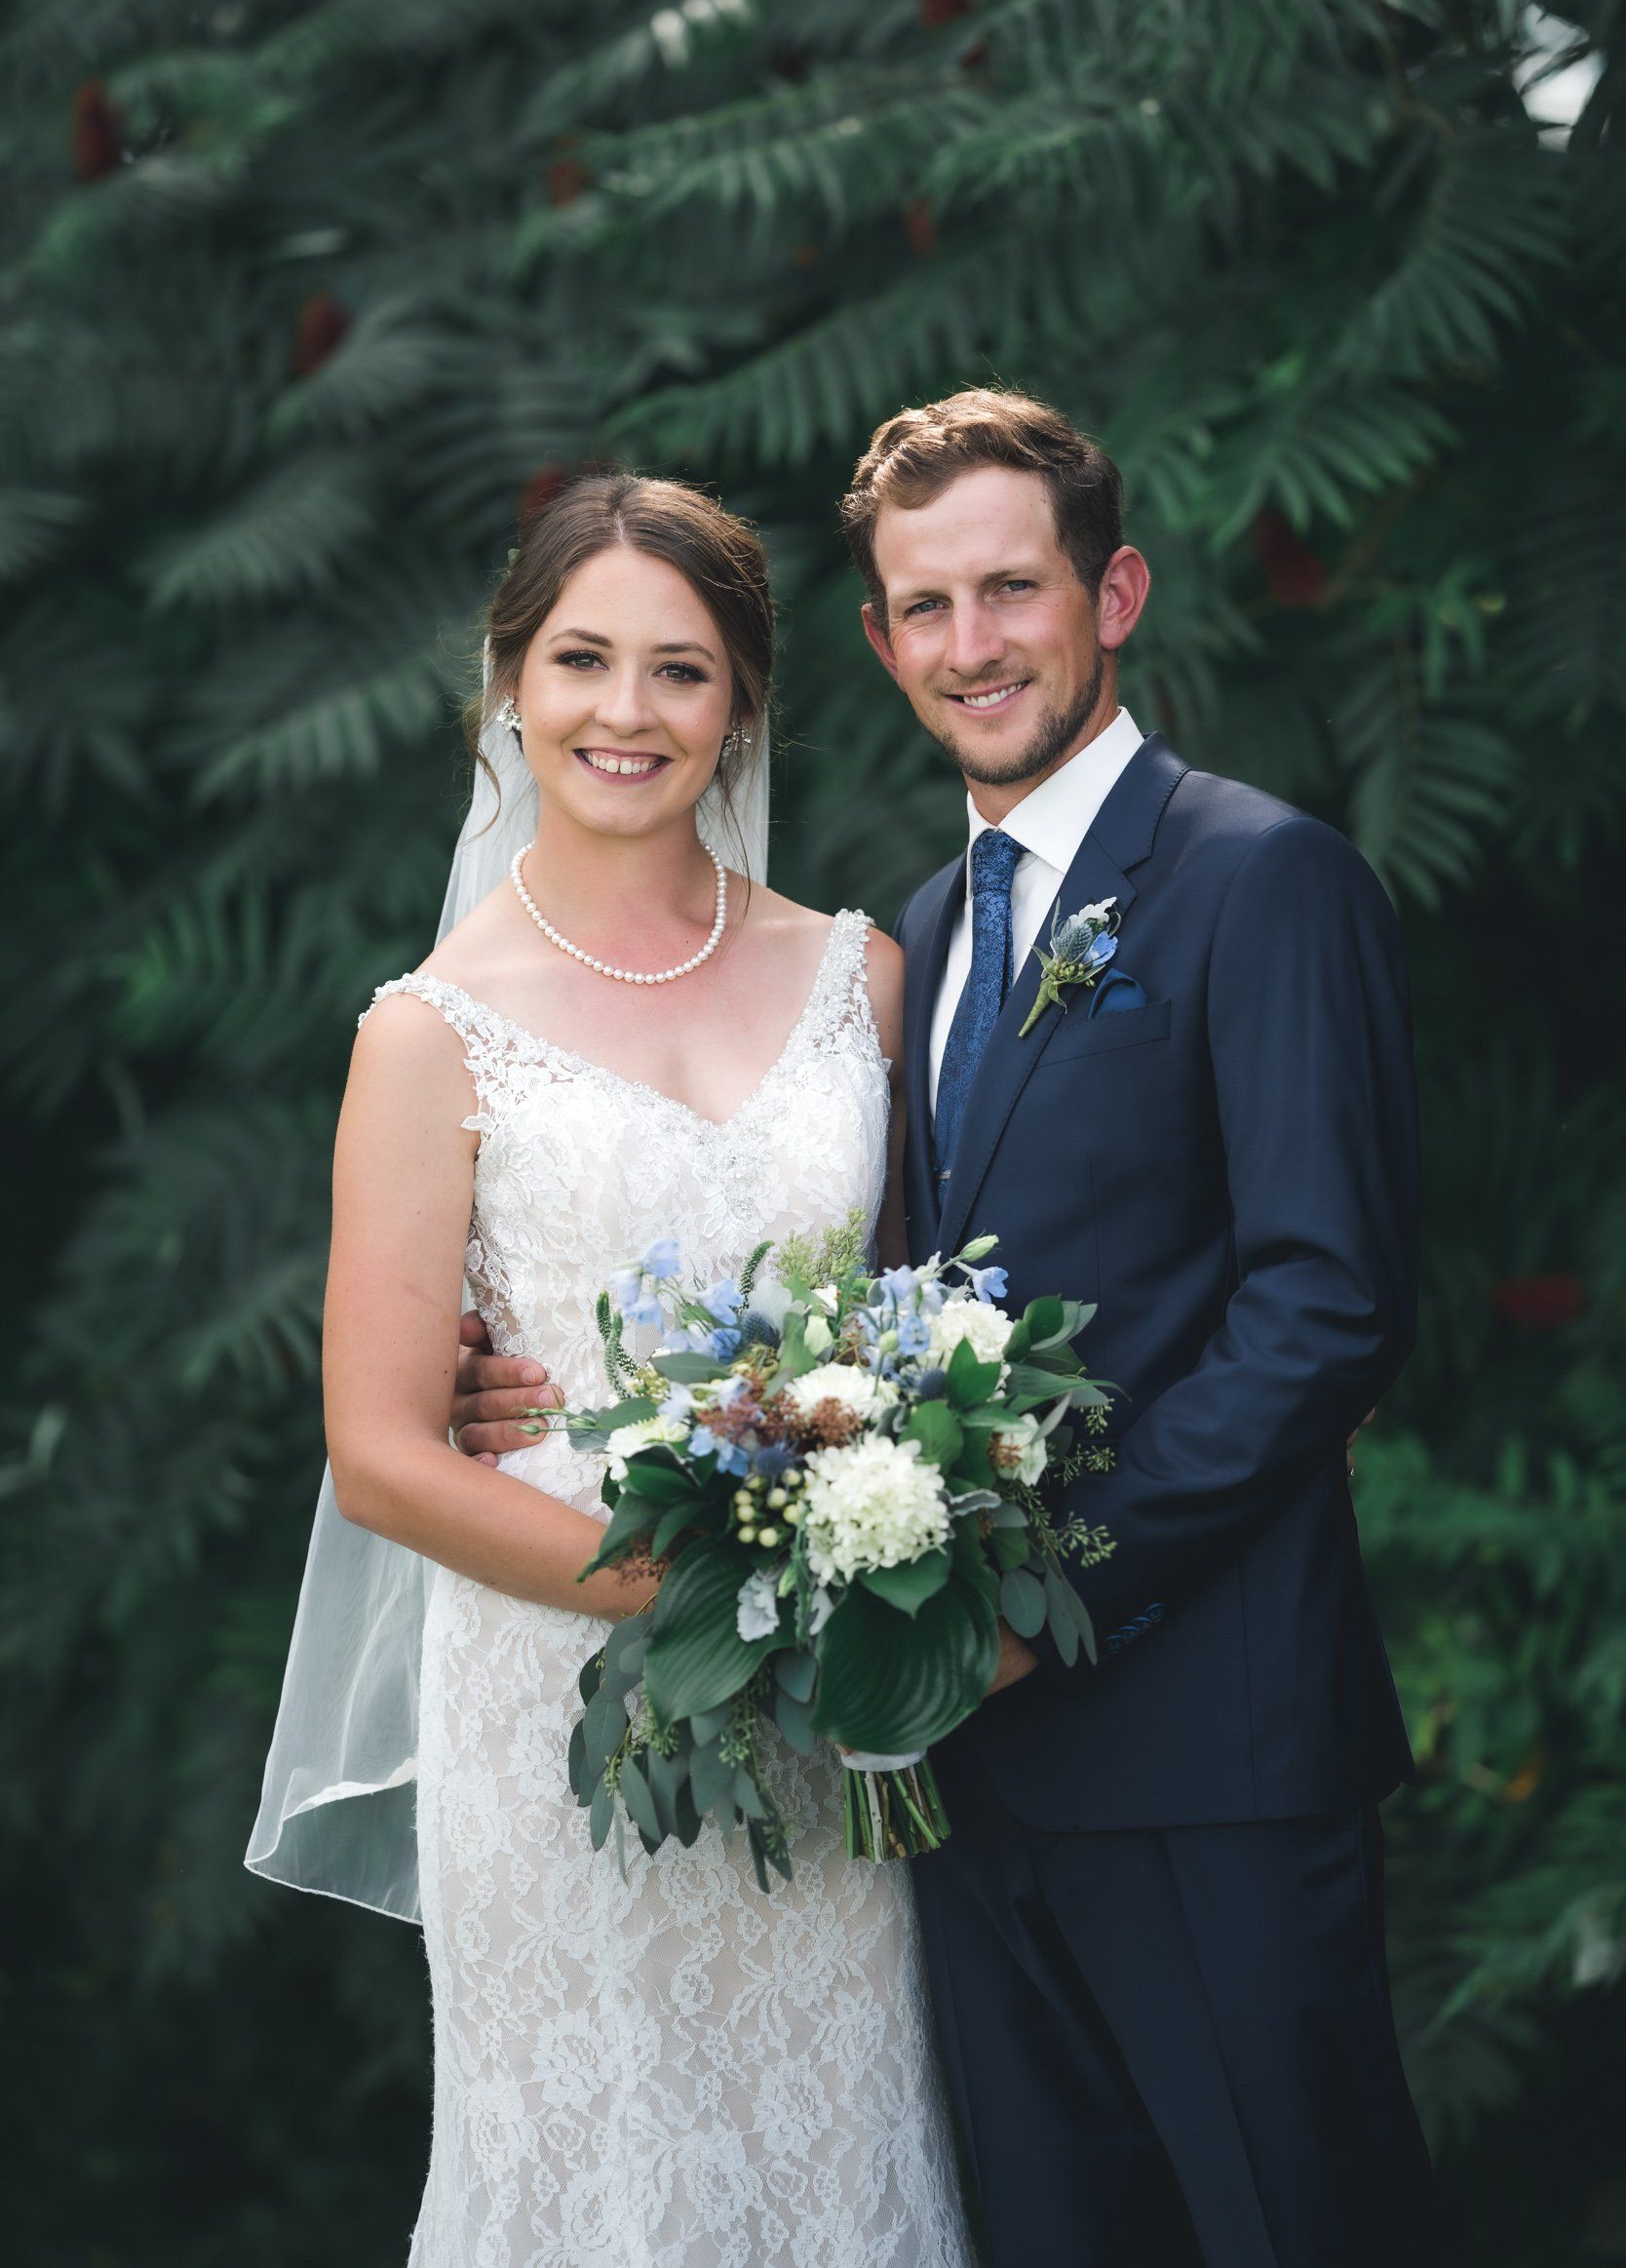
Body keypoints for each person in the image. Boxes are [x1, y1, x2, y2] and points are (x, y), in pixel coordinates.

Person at [457, 389, 1436, 2267]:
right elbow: (868, 1296)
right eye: (926, 607)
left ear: (1114, 593)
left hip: (1209, 1755)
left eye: (1012, 590)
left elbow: (1328, 1312)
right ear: (878, 641)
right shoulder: (919, 932)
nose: (971, 645)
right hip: (960, 1792)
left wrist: (1036, 1593)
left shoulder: (1260, 878)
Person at [247, 473, 972, 2268]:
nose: (625, 714)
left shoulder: (859, 978)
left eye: (681, 671)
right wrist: (683, 1586)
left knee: (848, 2139)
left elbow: (908, 1328)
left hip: (828, 1696)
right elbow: (381, 1452)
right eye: (581, 660)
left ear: (742, 711)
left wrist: (841, 1571)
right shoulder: (429, 1036)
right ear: (509, 683)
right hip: (571, 1697)